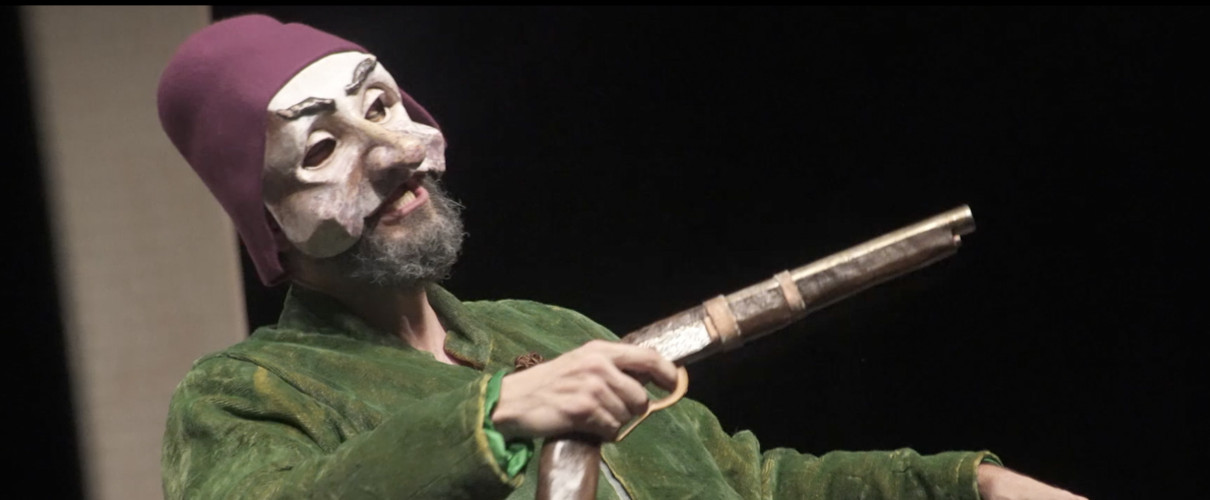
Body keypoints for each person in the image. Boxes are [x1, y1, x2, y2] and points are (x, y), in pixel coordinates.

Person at [156, 14, 1086, 500]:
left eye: (383, 106)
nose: (394, 154)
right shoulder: (245, 395)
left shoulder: (545, 331)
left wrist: (967, 485)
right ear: (265, 218)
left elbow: (751, 486)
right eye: (322, 149)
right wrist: (494, 415)